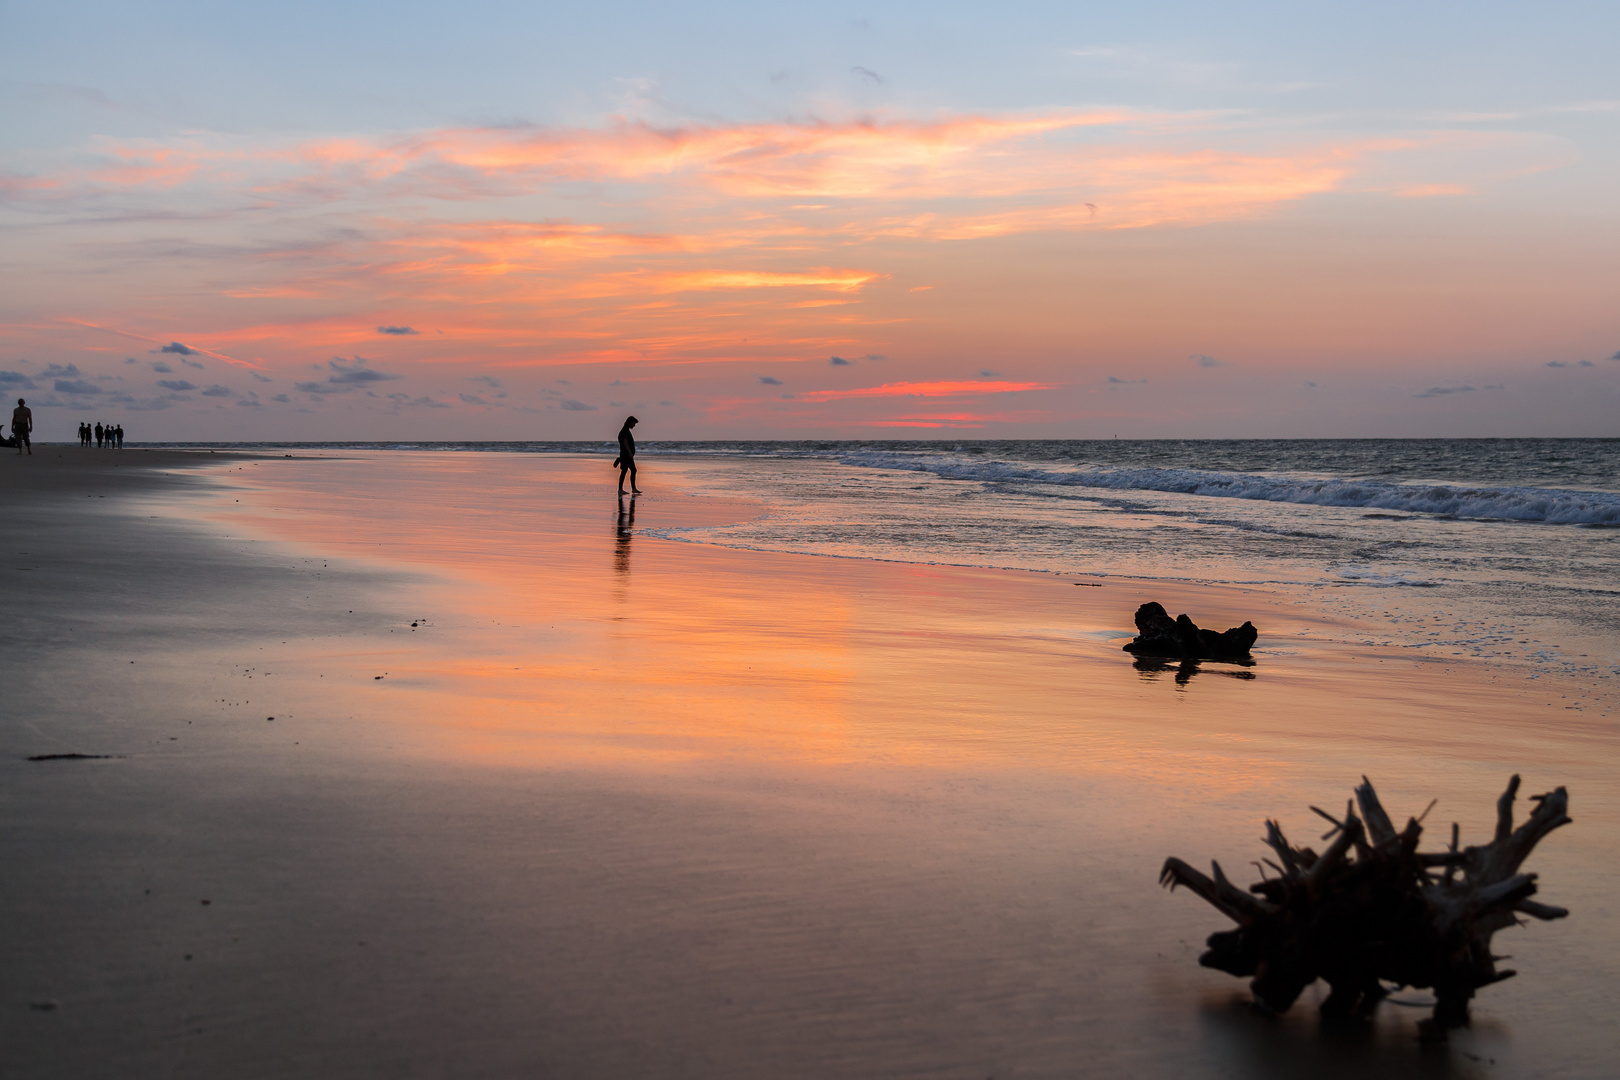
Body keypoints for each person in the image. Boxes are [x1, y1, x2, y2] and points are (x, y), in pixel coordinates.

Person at [613, 415, 642, 494]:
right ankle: (629, 489)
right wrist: (629, 452)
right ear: (630, 422)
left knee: (625, 471)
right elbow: (625, 443)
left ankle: (623, 489)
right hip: (626, 455)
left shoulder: (625, 430)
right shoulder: (625, 431)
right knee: (632, 470)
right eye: (634, 423)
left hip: (624, 455)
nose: (634, 425)